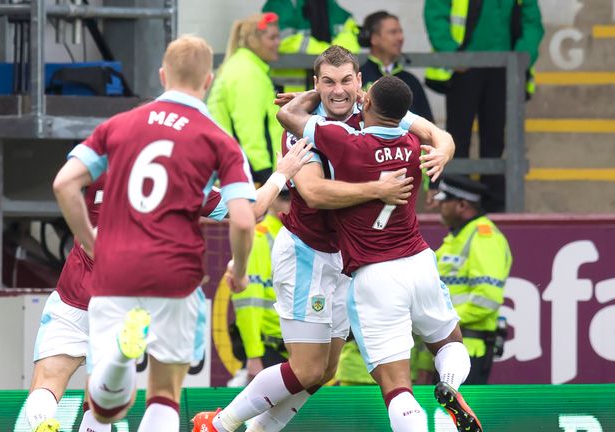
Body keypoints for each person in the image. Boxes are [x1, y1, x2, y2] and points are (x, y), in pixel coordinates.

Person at [192, 46, 459, 432]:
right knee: (307, 368)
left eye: (346, 80)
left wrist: (445, 149)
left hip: (347, 262)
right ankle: (219, 424)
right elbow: (315, 192)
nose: (338, 90)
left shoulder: (374, 112)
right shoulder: (302, 128)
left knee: (323, 371)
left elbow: (434, 132)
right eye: (328, 83)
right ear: (316, 86)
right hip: (307, 256)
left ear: (360, 84)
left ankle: (250, 430)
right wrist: (377, 189)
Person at [26, 142, 313, 432]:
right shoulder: (184, 179)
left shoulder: (102, 161)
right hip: (127, 302)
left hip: (75, 293)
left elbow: (64, 183)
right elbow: (252, 211)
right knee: (123, 395)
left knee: (48, 380)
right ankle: (119, 362)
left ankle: (42, 423)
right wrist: (280, 174)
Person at [52, 34, 260, 431]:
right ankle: (121, 362)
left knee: (105, 409)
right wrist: (241, 270)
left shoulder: (117, 125)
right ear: (209, 80)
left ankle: (117, 360)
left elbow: (64, 184)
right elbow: (244, 219)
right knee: (164, 393)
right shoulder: (220, 141)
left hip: (115, 270)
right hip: (175, 274)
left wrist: (93, 241)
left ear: (162, 75)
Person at [275, 76, 483, 432]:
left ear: (366, 102)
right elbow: (436, 134)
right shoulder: (413, 144)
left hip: (375, 275)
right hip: (419, 261)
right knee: (449, 342)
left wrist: (319, 95)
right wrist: (444, 145)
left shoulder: (346, 143)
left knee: (396, 386)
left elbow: (288, 116)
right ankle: (449, 382)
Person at [424, 0, 544, 212]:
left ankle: (493, 206)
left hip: (504, 68)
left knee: (495, 142)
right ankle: (457, 202)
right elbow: (436, 11)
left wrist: (521, 57)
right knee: (457, 140)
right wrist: (452, 55)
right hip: (464, 68)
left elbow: (532, 22)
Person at [433, 175, 512, 384]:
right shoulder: (455, 237)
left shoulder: (485, 237)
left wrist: (443, 322)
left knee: (459, 415)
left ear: (461, 204)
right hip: (447, 346)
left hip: (468, 348)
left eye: (444, 200)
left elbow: (487, 299)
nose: (438, 205)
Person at [207, 12, 283, 186]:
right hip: (248, 175)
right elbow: (250, 131)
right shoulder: (246, 73)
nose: (278, 42)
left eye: (278, 37)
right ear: (253, 40)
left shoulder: (245, 67)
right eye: (272, 38)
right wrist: (265, 177)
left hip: (238, 171)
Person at [229, 190, 292, 386]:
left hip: (297, 349)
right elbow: (248, 303)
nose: (289, 202)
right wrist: (254, 356)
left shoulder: (301, 236)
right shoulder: (258, 237)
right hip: (269, 352)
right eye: (283, 196)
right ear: (271, 199)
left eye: (294, 196)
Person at [358, 11, 433, 122]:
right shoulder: (358, 77)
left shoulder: (411, 81)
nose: (400, 37)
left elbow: (429, 126)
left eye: (400, 32)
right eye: (393, 32)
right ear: (374, 38)